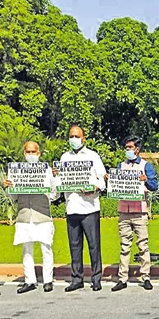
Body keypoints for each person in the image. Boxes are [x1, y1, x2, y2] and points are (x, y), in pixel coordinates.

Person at [55, 125, 107, 292]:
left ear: (83, 138)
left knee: (94, 245)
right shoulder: (64, 158)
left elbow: (102, 181)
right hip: (71, 207)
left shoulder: (93, 156)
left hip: (89, 207)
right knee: (74, 245)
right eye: (71, 136)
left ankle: (96, 278)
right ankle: (76, 278)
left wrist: (94, 188)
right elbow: (59, 184)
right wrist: (56, 176)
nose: (74, 139)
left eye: (77, 136)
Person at [3, 141, 58, 294]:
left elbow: (55, 194)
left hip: (43, 215)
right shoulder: (16, 172)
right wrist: (8, 186)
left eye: (33, 152)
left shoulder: (47, 171)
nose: (31, 155)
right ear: (24, 154)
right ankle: (30, 280)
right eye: (28, 152)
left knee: (46, 248)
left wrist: (55, 179)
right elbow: (12, 197)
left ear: (39, 153)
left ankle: (48, 280)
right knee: (26, 250)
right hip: (24, 215)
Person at [109, 136, 159, 292]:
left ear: (137, 149)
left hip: (140, 210)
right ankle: (122, 278)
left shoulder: (146, 166)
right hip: (124, 210)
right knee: (124, 246)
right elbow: (114, 185)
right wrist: (109, 180)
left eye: (130, 147)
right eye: (126, 147)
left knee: (143, 246)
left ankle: (146, 277)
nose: (127, 150)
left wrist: (145, 180)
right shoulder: (121, 166)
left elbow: (154, 185)